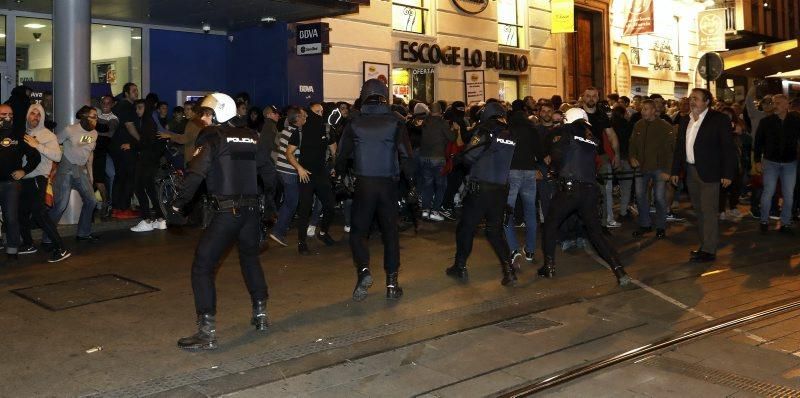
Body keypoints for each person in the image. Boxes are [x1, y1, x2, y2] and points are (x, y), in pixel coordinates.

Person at [169, 93, 276, 350]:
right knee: (250, 259)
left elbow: (195, 174)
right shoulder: (252, 136)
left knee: (202, 266)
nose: (203, 118)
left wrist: (177, 204)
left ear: (218, 114)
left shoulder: (213, 138)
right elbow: (270, 173)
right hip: (251, 212)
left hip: (227, 213)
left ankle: (206, 332)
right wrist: (269, 206)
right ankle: (261, 315)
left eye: (207, 114)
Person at [336, 79, 414, 301]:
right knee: (390, 234)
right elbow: (407, 155)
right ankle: (392, 283)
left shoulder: (354, 122)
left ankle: (364, 271)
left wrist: (341, 176)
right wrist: (412, 184)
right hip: (388, 184)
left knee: (359, 232)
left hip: (364, 183)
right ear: (385, 95)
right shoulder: (396, 121)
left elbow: (342, 155)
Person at [540, 108, 631, 286]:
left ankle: (549, 266)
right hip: (589, 190)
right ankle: (619, 270)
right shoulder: (591, 140)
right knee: (596, 233)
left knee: (550, 225)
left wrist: (555, 167)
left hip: (569, 189)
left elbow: (556, 155)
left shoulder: (565, 133)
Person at [445, 102, 518, 286]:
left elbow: (470, 155)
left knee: (466, 228)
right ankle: (509, 271)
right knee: (495, 231)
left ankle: (459, 266)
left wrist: (460, 159)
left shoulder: (486, 129)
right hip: (500, 190)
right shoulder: (509, 134)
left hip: (481, 189)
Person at [670, 88, 736, 263]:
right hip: (691, 171)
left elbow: (728, 148)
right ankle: (705, 245)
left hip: (711, 172)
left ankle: (709, 250)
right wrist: (675, 170)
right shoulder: (686, 120)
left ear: (707, 102)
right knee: (699, 211)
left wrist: (727, 173)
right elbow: (679, 147)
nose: (692, 102)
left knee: (708, 211)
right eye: (691, 98)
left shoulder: (719, 119)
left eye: (696, 99)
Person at [19, 104, 70, 262]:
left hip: (38, 178)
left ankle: (60, 248)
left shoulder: (48, 135)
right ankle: (28, 244)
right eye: (32, 113)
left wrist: (38, 146)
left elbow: (57, 157)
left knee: (39, 213)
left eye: (38, 114)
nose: (35, 117)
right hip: (25, 179)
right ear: (27, 115)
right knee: (21, 213)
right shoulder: (24, 133)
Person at [287, 103, 338, 254]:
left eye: (321, 111)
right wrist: (300, 168)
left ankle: (323, 233)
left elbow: (334, 151)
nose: (319, 114)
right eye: (316, 111)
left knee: (330, 205)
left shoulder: (327, 129)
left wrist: (334, 167)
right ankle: (302, 243)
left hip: (321, 174)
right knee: (305, 209)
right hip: (306, 175)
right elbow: (288, 153)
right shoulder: (300, 130)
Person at [49, 106, 99, 242]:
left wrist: (91, 174)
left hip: (80, 170)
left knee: (91, 201)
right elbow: (54, 143)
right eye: (93, 116)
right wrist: (53, 165)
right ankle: (48, 238)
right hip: (66, 169)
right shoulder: (70, 130)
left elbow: (89, 153)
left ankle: (83, 233)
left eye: (97, 117)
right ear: (84, 116)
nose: (96, 120)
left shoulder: (94, 134)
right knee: (61, 205)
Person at [753, 94, 800, 233]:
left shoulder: (796, 121)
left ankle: (785, 222)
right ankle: (764, 220)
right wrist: (757, 161)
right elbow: (758, 143)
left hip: (790, 162)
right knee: (768, 192)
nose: (775, 106)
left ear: (787, 105)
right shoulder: (766, 122)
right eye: (774, 103)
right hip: (771, 162)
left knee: (788, 194)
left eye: (778, 103)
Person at [0, 104, 40, 261]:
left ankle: (12, 249)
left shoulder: (19, 135)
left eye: (10, 113)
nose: (7, 117)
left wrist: (24, 171)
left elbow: (35, 156)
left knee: (11, 217)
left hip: (11, 184)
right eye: (3, 114)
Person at [629, 99, 674, 238]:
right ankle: (645, 224)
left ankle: (661, 226)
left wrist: (668, 170)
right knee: (640, 196)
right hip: (641, 168)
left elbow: (670, 150)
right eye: (642, 109)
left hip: (659, 168)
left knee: (659, 198)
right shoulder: (638, 125)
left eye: (646, 109)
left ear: (655, 110)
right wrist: (632, 157)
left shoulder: (665, 127)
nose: (643, 112)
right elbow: (632, 143)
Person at [505, 100, 541, 264]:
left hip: (512, 171)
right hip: (529, 172)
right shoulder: (532, 130)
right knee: (530, 211)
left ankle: (513, 249)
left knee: (507, 212)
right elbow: (539, 152)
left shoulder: (509, 130)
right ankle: (531, 250)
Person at [582, 87, 621, 228]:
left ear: (598, 98)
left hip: (601, 157)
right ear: (583, 97)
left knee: (605, 191)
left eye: (594, 96)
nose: (591, 98)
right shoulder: (577, 114)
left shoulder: (601, 114)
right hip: (582, 159)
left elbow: (612, 135)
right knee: (583, 192)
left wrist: (616, 154)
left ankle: (605, 222)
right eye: (588, 95)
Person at [268, 107, 306, 247]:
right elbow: (292, 154)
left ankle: (280, 226)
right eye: (303, 116)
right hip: (289, 171)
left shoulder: (286, 130)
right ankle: (278, 231)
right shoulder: (295, 133)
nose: (305, 118)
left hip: (281, 170)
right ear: (297, 118)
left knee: (288, 202)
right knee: (291, 202)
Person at [418, 102, 456, 221]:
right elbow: (451, 138)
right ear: (440, 111)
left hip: (424, 157)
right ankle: (434, 211)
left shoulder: (425, 122)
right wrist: (455, 130)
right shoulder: (442, 123)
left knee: (427, 185)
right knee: (441, 186)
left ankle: (425, 210)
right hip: (438, 158)